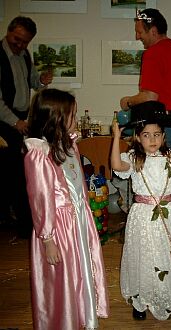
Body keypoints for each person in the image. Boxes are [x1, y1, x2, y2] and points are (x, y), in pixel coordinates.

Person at [23, 88, 109, 329]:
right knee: (65, 277)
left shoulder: (69, 146)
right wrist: (48, 239)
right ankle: (65, 320)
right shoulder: (39, 156)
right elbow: (41, 200)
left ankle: (83, 315)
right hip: (59, 228)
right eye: (72, 115)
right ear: (57, 119)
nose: (76, 118)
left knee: (82, 269)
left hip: (78, 220)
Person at [111, 100, 171, 321]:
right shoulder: (134, 159)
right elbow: (116, 165)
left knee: (167, 252)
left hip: (169, 212)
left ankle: (170, 292)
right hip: (142, 216)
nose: (152, 139)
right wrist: (116, 137)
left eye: (157, 134)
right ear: (137, 137)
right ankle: (141, 299)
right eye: (146, 135)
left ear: (163, 136)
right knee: (144, 256)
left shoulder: (170, 156)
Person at [119, 8, 171, 237]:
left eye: (139, 32)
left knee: (166, 178)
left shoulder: (153, 53)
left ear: (153, 30)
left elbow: (150, 96)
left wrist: (127, 102)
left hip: (167, 122)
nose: (137, 37)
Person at [0, 16, 53, 238]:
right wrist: (16, 122)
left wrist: (42, 80)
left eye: (25, 42)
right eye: (17, 40)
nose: (20, 45)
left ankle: (20, 223)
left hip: (21, 121)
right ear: (9, 32)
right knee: (14, 175)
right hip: (5, 123)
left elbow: (33, 82)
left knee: (21, 173)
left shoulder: (24, 55)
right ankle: (23, 227)